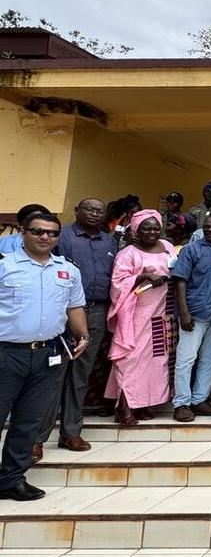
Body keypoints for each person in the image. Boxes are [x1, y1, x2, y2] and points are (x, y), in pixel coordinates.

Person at [0, 213, 89, 501]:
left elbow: (74, 306)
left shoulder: (67, 270)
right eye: (38, 231)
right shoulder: (5, 265)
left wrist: (84, 334)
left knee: (29, 421)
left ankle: (11, 479)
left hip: (47, 354)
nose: (45, 237)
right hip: (6, 353)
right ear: (23, 232)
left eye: (51, 233)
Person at [36, 199, 117, 455]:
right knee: (53, 374)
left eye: (99, 210)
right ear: (76, 211)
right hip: (62, 312)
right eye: (89, 209)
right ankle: (37, 438)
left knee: (80, 375)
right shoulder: (62, 236)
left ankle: (71, 433)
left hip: (96, 311)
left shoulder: (109, 241)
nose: (94, 214)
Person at [104, 209, 177, 426]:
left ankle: (143, 404)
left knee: (156, 360)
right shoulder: (128, 253)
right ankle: (124, 406)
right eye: (147, 229)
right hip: (137, 312)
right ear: (137, 230)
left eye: (156, 228)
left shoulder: (168, 247)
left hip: (163, 311)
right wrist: (143, 276)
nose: (152, 232)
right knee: (132, 359)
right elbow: (118, 283)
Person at [169, 214, 211, 422]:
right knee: (186, 360)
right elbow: (180, 281)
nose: (210, 229)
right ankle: (181, 403)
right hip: (193, 314)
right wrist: (184, 312)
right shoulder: (191, 249)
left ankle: (200, 399)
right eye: (207, 226)